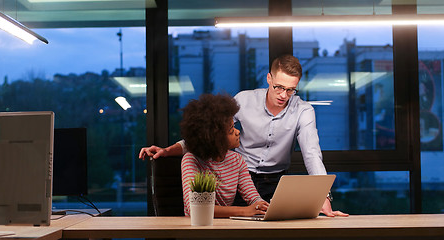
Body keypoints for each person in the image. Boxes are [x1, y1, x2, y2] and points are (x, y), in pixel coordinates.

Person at [140, 54, 348, 217]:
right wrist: (168, 150)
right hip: (239, 179)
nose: (284, 95)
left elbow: (312, 154)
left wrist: (323, 196)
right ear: (269, 78)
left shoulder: (303, 110)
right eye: (279, 87)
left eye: (291, 90)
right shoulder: (244, 100)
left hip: (275, 183)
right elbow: (210, 130)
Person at [180, 94, 269, 217]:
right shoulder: (191, 160)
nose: (238, 132)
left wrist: (262, 206)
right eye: (231, 131)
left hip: (225, 228)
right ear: (215, 138)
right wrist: (245, 211)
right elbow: (194, 208)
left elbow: (253, 197)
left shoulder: (237, 160)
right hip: (198, 230)